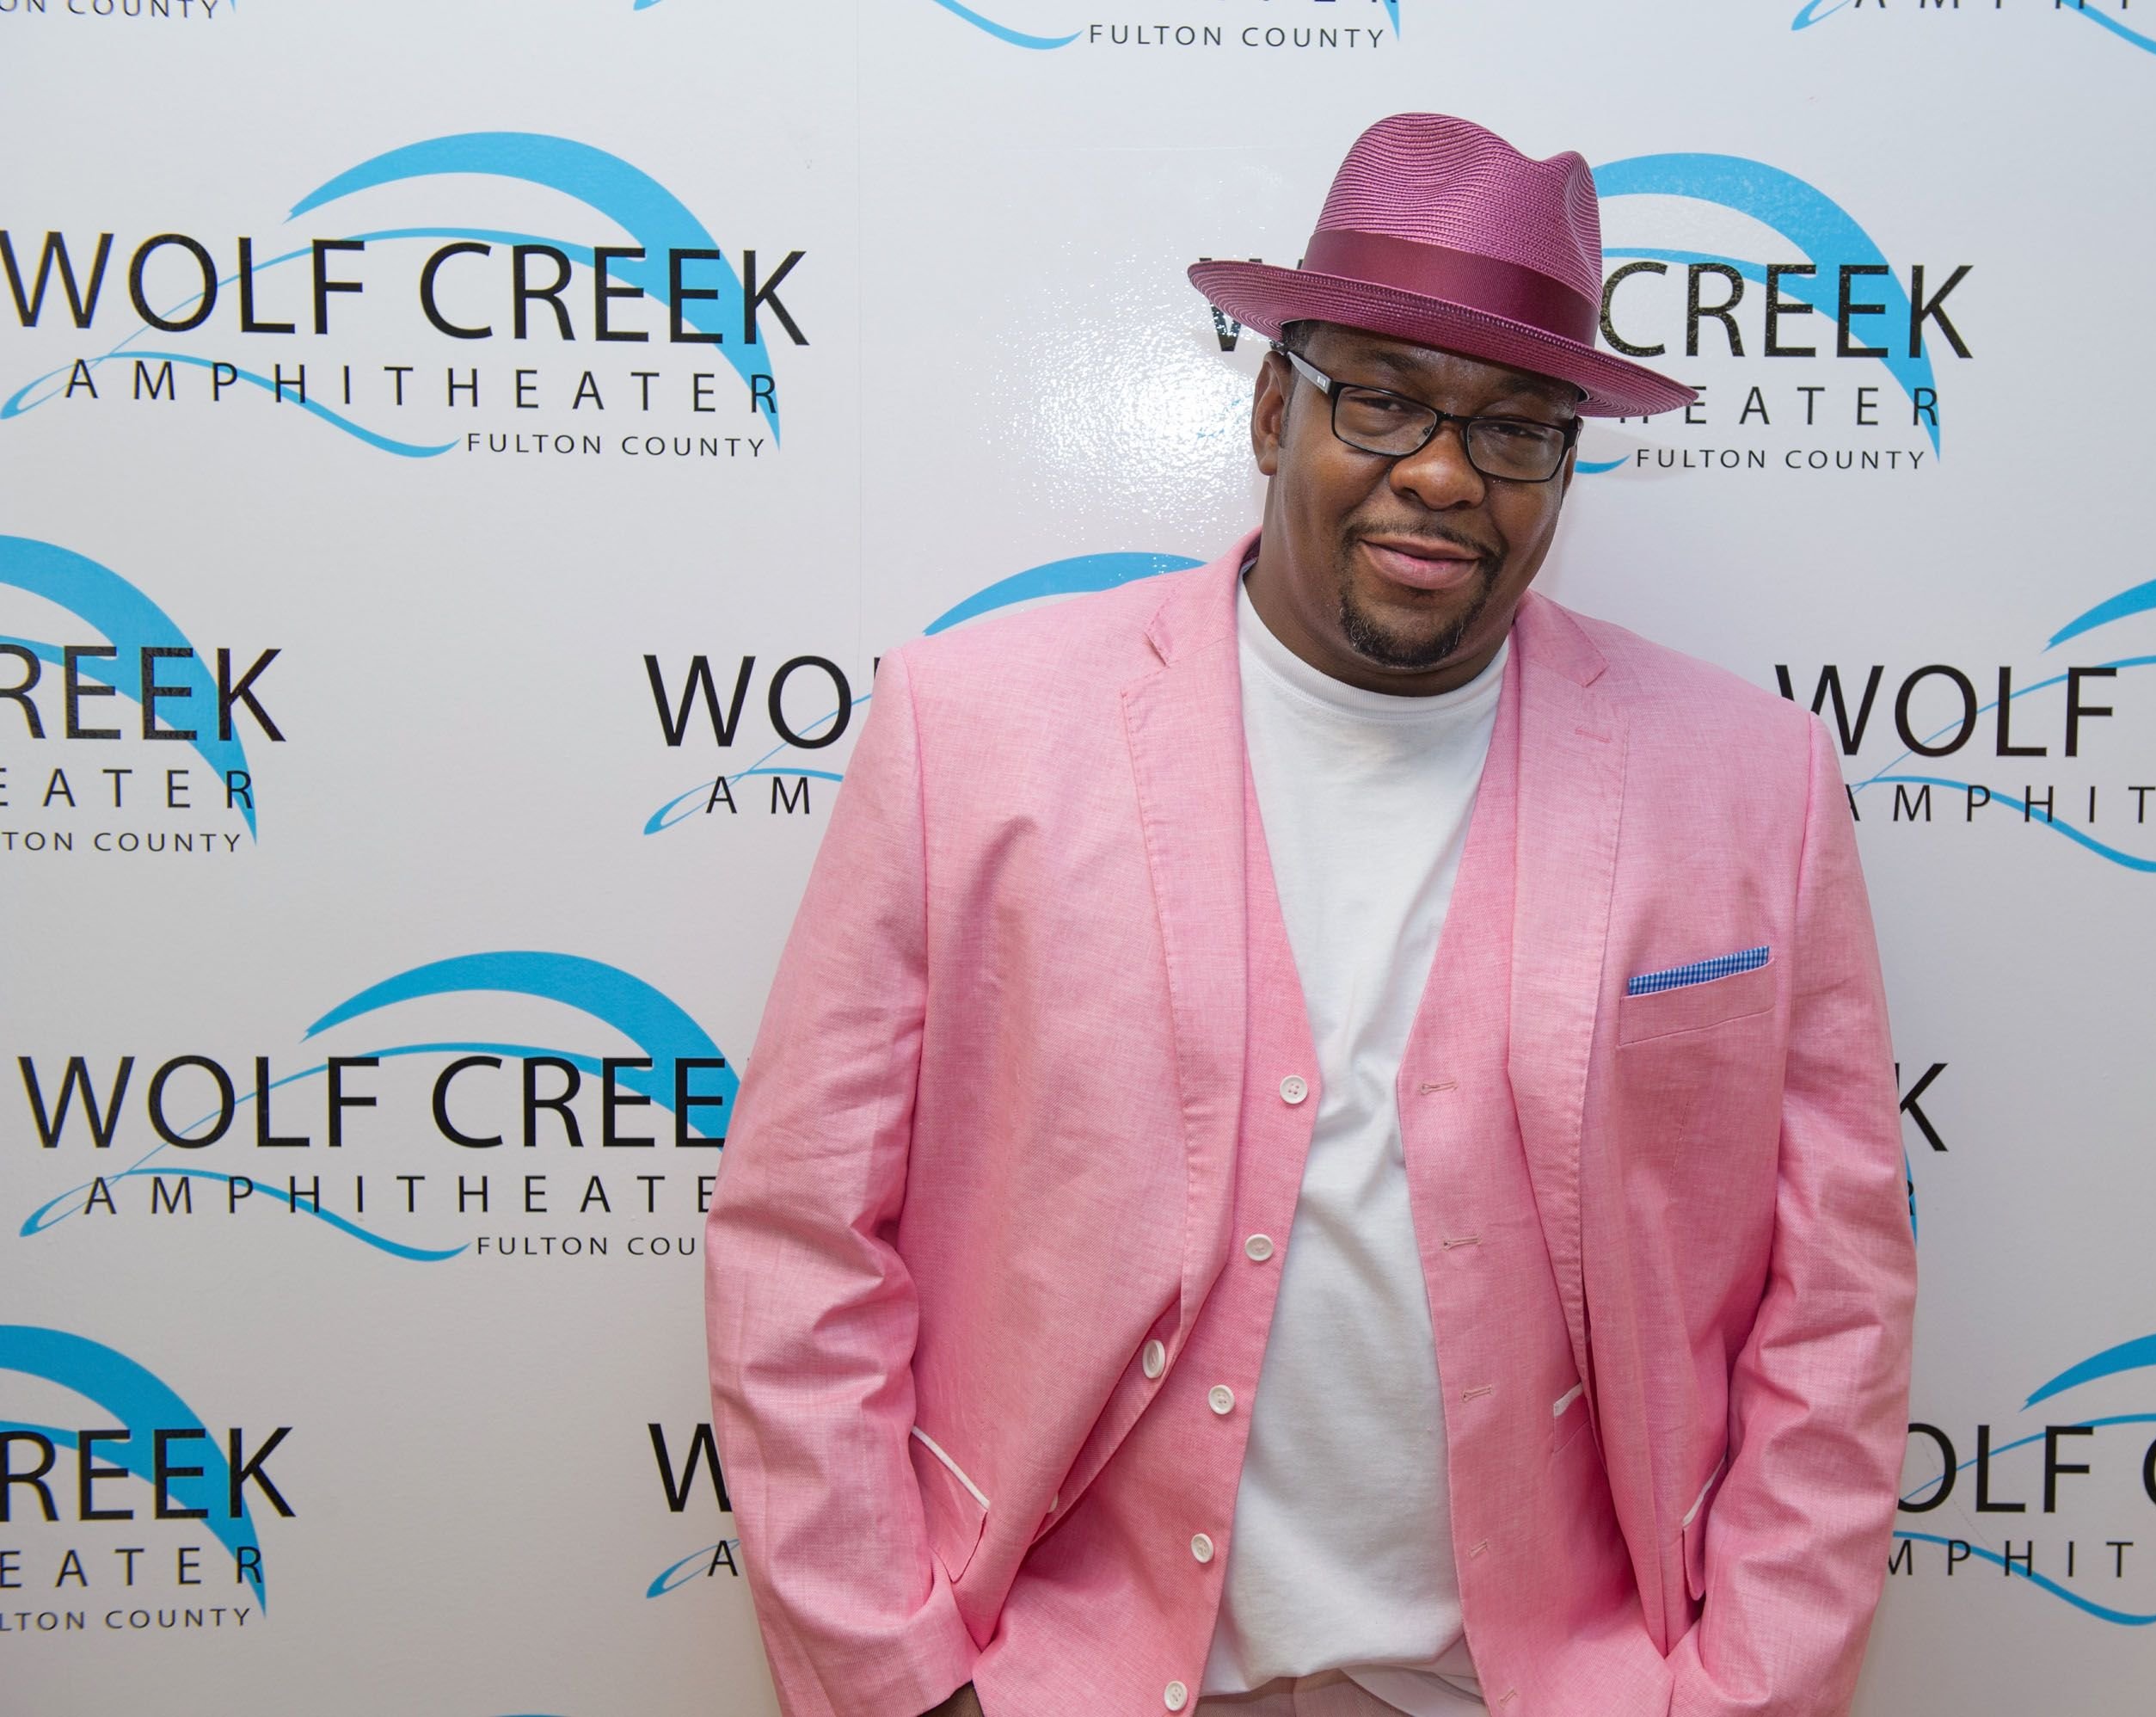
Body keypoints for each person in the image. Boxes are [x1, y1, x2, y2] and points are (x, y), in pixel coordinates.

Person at [704, 112, 1915, 1717]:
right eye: (1385, 398)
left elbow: (1836, 1303)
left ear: (1565, 459)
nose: (1440, 471)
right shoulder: (970, 729)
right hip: (1067, 1677)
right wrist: (897, 1684)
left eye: (1513, 427)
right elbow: (799, 1244)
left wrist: (1747, 1693)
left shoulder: (1751, 783)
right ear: (1276, 405)